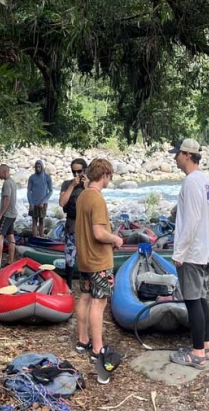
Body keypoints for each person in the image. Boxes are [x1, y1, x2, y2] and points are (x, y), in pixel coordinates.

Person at [167, 138, 209, 371]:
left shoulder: (191, 182)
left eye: (177, 154)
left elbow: (192, 220)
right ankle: (206, 346)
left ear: (187, 155)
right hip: (205, 250)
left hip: (193, 252)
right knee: (201, 298)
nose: (174, 157)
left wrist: (180, 251)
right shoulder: (205, 181)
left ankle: (197, 353)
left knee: (192, 301)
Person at [74, 158, 123, 384]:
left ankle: (82, 340)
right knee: (99, 302)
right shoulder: (97, 199)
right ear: (104, 174)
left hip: (84, 259)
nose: (109, 179)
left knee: (85, 297)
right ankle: (97, 347)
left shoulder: (83, 195)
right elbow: (99, 233)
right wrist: (116, 239)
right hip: (99, 260)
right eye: (109, 176)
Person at [58, 158, 88, 289]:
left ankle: (86, 285)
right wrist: (72, 186)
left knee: (86, 258)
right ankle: (68, 286)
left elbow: (95, 202)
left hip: (86, 227)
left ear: (85, 171)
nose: (76, 175)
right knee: (69, 258)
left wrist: (86, 187)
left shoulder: (90, 184)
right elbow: (62, 202)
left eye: (79, 171)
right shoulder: (67, 184)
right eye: (73, 172)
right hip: (71, 225)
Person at [0, 164, 18, 271]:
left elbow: (6, 200)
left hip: (7, 214)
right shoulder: (12, 181)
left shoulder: (7, 183)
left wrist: (0, 215)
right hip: (13, 214)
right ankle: (10, 261)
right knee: (10, 236)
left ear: (4, 171)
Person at [27, 160, 53, 238]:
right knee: (34, 221)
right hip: (33, 202)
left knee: (41, 220)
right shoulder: (32, 177)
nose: (38, 168)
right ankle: (35, 237)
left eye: (39, 167)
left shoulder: (47, 177)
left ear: (42, 167)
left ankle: (41, 237)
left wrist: (44, 201)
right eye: (36, 167)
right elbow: (29, 191)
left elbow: (50, 191)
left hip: (43, 203)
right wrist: (31, 203)